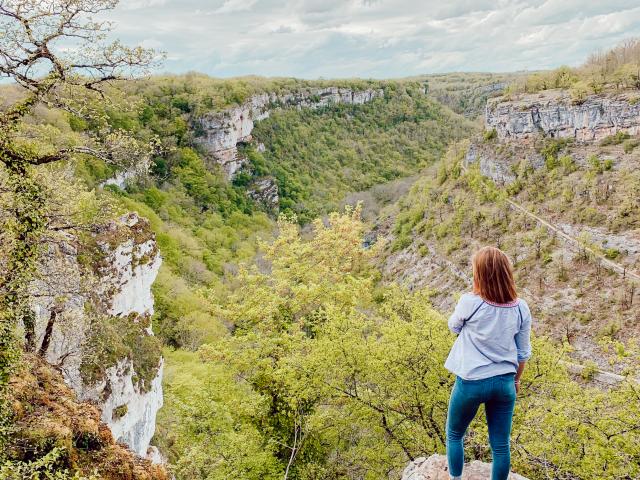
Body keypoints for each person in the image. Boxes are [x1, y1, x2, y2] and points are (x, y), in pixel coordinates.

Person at [444, 246, 532, 480]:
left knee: (454, 434)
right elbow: (523, 353)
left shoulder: (470, 302)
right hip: (505, 383)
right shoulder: (521, 308)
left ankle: (456, 478)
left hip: (472, 381)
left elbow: (453, 326)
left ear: (479, 274)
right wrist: (516, 380)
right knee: (501, 446)